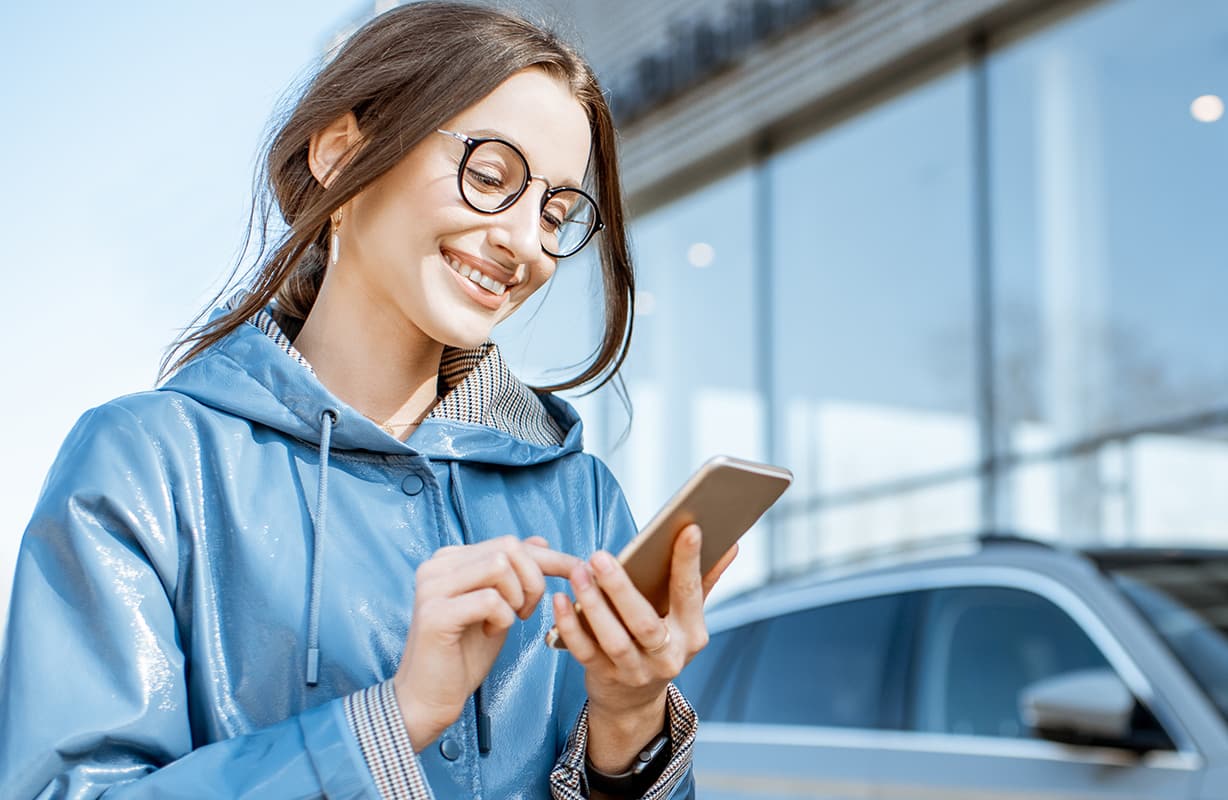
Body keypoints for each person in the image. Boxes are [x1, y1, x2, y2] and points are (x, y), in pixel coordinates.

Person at [0, 3, 738, 798]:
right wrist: (393, 721)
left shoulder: (580, 498)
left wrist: (629, 722)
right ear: (343, 154)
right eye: (492, 177)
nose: (527, 243)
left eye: (555, 213)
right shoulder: (148, 464)